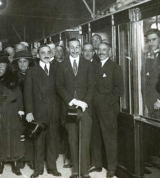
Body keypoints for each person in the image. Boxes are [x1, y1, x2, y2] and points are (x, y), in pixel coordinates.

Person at [56, 38, 94, 178]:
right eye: (72, 47)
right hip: (69, 108)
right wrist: (73, 101)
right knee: (72, 139)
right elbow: (59, 87)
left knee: (85, 140)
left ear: (80, 48)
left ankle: (84, 172)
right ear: (67, 48)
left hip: (85, 109)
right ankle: (76, 171)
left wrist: (84, 103)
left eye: (77, 47)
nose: (75, 49)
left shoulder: (88, 64)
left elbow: (91, 87)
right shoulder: (62, 65)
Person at [24, 45, 62, 178]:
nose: (46, 55)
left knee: (53, 139)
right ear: (38, 55)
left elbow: (60, 92)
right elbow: (27, 93)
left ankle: (52, 167)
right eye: (42, 53)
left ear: (51, 54)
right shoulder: (31, 71)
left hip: (53, 110)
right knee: (38, 140)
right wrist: (29, 111)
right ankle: (38, 169)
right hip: (38, 111)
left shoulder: (57, 69)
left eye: (48, 52)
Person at [91, 42, 124, 178]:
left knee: (110, 138)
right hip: (93, 107)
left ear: (110, 51)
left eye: (104, 50)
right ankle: (97, 164)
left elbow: (119, 90)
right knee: (95, 136)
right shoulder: (94, 66)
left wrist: (107, 103)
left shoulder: (115, 67)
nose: (101, 52)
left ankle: (111, 167)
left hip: (108, 108)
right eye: (99, 50)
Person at [0, 53, 25, 175]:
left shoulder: (13, 80)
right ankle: (0, 162)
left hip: (12, 110)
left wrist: (20, 109)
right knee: (1, 136)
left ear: (7, 67)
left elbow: (20, 95)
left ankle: (15, 163)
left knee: (14, 136)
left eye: (3, 66)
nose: (0, 69)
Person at [12, 50, 35, 170]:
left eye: (25, 61)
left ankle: (30, 158)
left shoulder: (34, 73)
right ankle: (20, 158)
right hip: (19, 108)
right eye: (20, 62)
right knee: (19, 133)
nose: (22, 64)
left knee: (31, 133)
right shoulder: (14, 76)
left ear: (29, 62)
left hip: (31, 107)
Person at [141, 29, 160, 119]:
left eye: (154, 39)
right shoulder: (147, 59)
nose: (151, 43)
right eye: (149, 40)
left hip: (159, 103)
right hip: (149, 103)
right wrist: (144, 103)